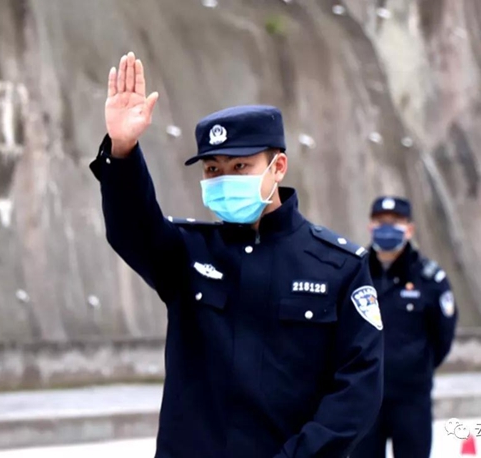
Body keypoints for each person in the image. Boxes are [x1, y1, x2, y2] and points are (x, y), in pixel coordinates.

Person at [90, 52, 384, 458]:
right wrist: (123, 148)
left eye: (241, 166)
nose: (224, 179)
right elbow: (131, 227)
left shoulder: (338, 267)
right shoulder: (188, 252)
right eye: (213, 170)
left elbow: (358, 387)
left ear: (278, 166)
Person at [349, 196, 458, 458]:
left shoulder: (429, 279)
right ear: (370, 226)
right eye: (380, 221)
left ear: (409, 229)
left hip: (411, 398)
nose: (386, 228)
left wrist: (415, 365)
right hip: (365, 397)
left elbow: (442, 336)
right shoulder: (354, 272)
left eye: (395, 222)